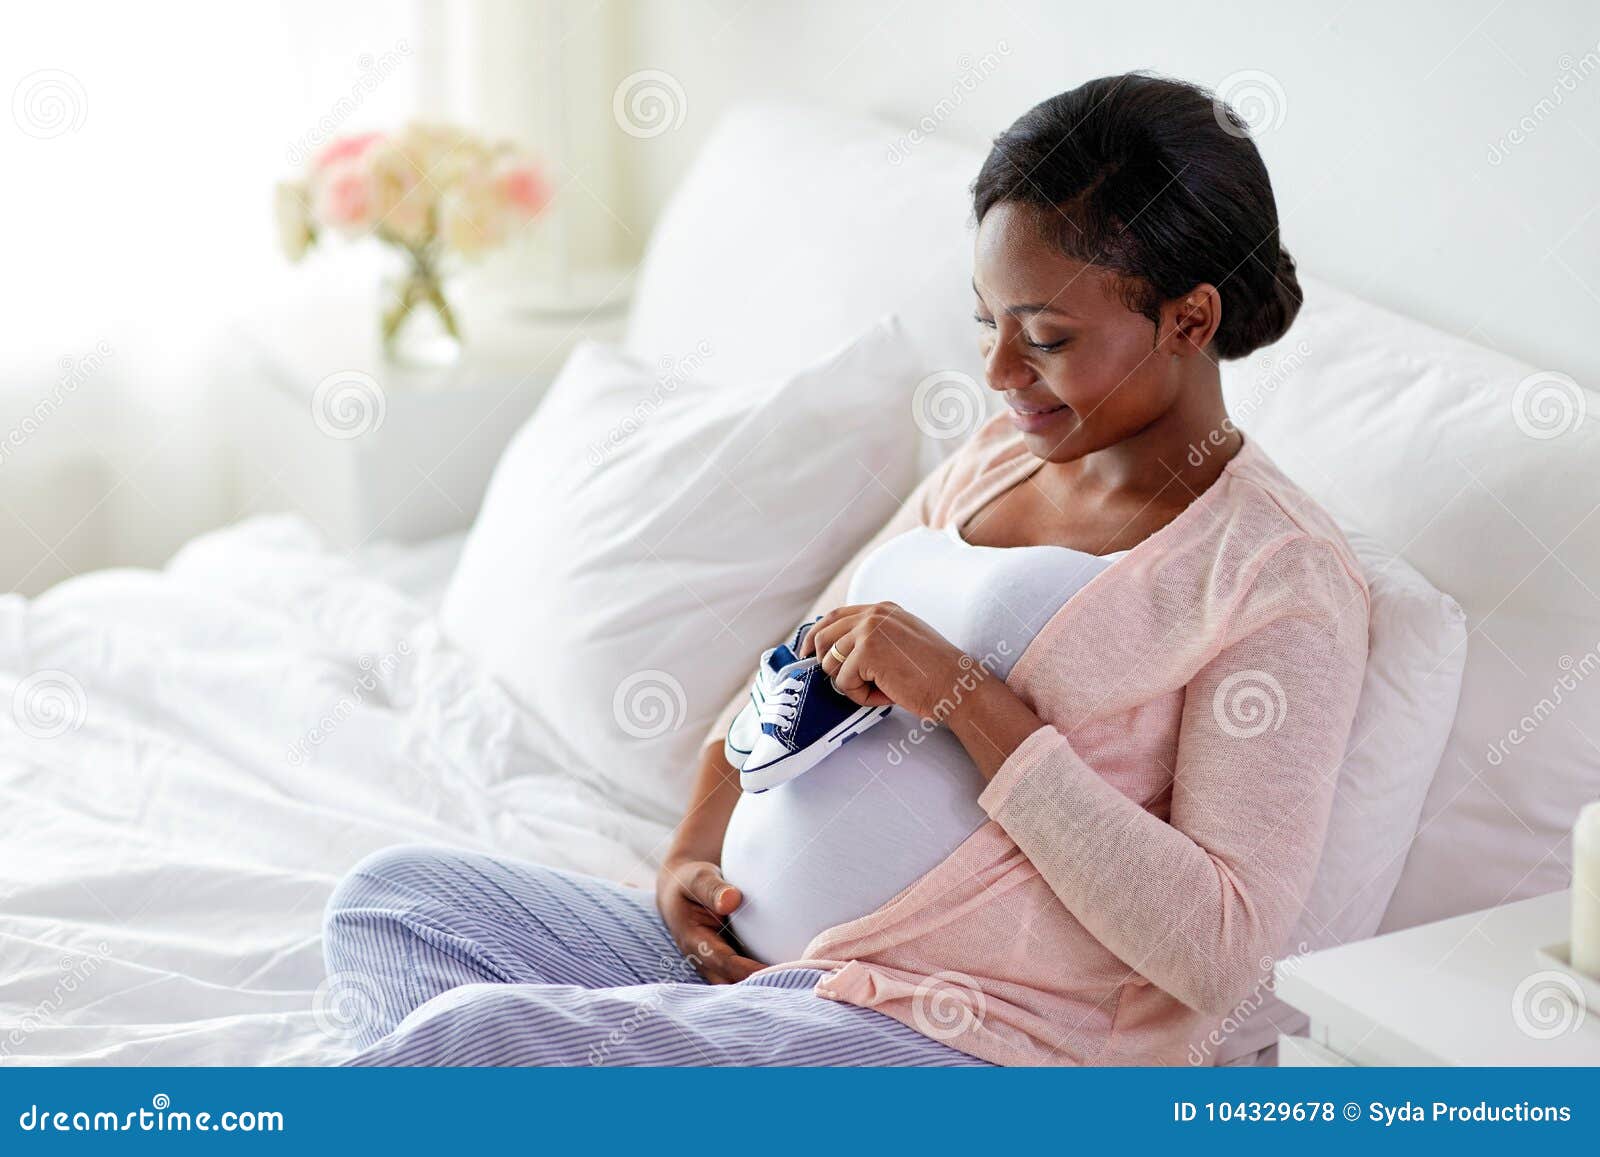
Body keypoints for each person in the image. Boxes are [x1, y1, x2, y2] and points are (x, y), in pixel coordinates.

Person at [322, 72, 1369, 1067]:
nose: (999, 374)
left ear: (1189, 319)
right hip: (759, 973)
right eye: (987, 324)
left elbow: (1222, 950)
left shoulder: (1275, 575)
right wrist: (691, 848)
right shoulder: (998, 459)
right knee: (391, 904)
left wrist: (965, 697)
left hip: (968, 1041)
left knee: (478, 1038)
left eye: (1044, 338)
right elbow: (799, 659)